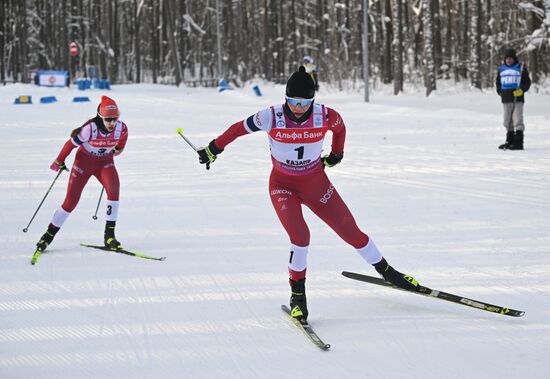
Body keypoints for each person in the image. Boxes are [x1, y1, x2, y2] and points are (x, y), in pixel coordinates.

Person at [196, 66, 419, 324]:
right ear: (285, 99)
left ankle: (387, 271)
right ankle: (298, 296)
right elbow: (237, 129)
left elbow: (340, 128)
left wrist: (337, 154)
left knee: (350, 230)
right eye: (292, 101)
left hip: (315, 183)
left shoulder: (325, 115)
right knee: (301, 237)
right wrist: (213, 148)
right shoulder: (271, 116)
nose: (298, 107)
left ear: (313, 100)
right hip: (283, 186)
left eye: (304, 102)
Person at [34, 96, 128, 254]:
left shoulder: (122, 128)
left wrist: (114, 151)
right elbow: (70, 145)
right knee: (71, 201)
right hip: (84, 163)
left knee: (114, 190)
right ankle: (48, 236)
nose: (112, 123)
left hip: (104, 162)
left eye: (115, 119)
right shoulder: (89, 129)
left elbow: (121, 144)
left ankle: (109, 236)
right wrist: (59, 161)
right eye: (108, 119)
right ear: (100, 117)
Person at [496, 48, 531, 150]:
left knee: (517, 120)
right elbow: (498, 82)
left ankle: (519, 143)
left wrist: (521, 90)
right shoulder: (501, 69)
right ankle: (510, 141)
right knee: (507, 121)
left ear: (514, 59)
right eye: (507, 58)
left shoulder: (520, 68)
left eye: (511, 58)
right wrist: (499, 91)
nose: (509, 60)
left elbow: (527, 83)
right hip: (506, 99)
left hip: (517, 99)